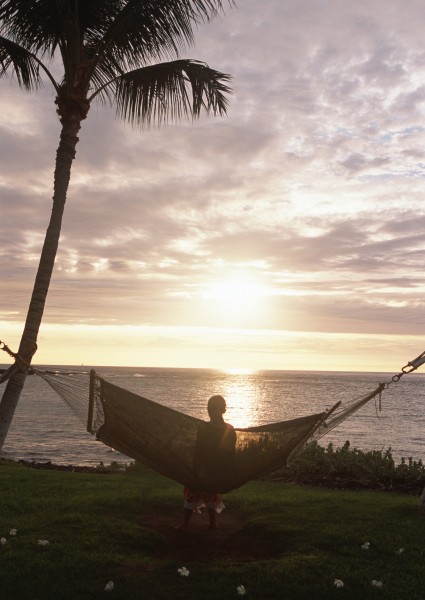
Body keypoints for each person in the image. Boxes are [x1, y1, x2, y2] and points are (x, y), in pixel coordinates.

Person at [178, 395, 236, 531]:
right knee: (209, 491)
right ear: (224, 410)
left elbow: (199, 452)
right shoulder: (230, 429)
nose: (209, 411)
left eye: (210, 409)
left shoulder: (204, 428)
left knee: (192, 489)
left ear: (211, 410)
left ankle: (186, 524)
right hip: (221, 472)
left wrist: (195, 472)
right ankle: (213, 522)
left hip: (207, 471)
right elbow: (231, 455)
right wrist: (230, 472)